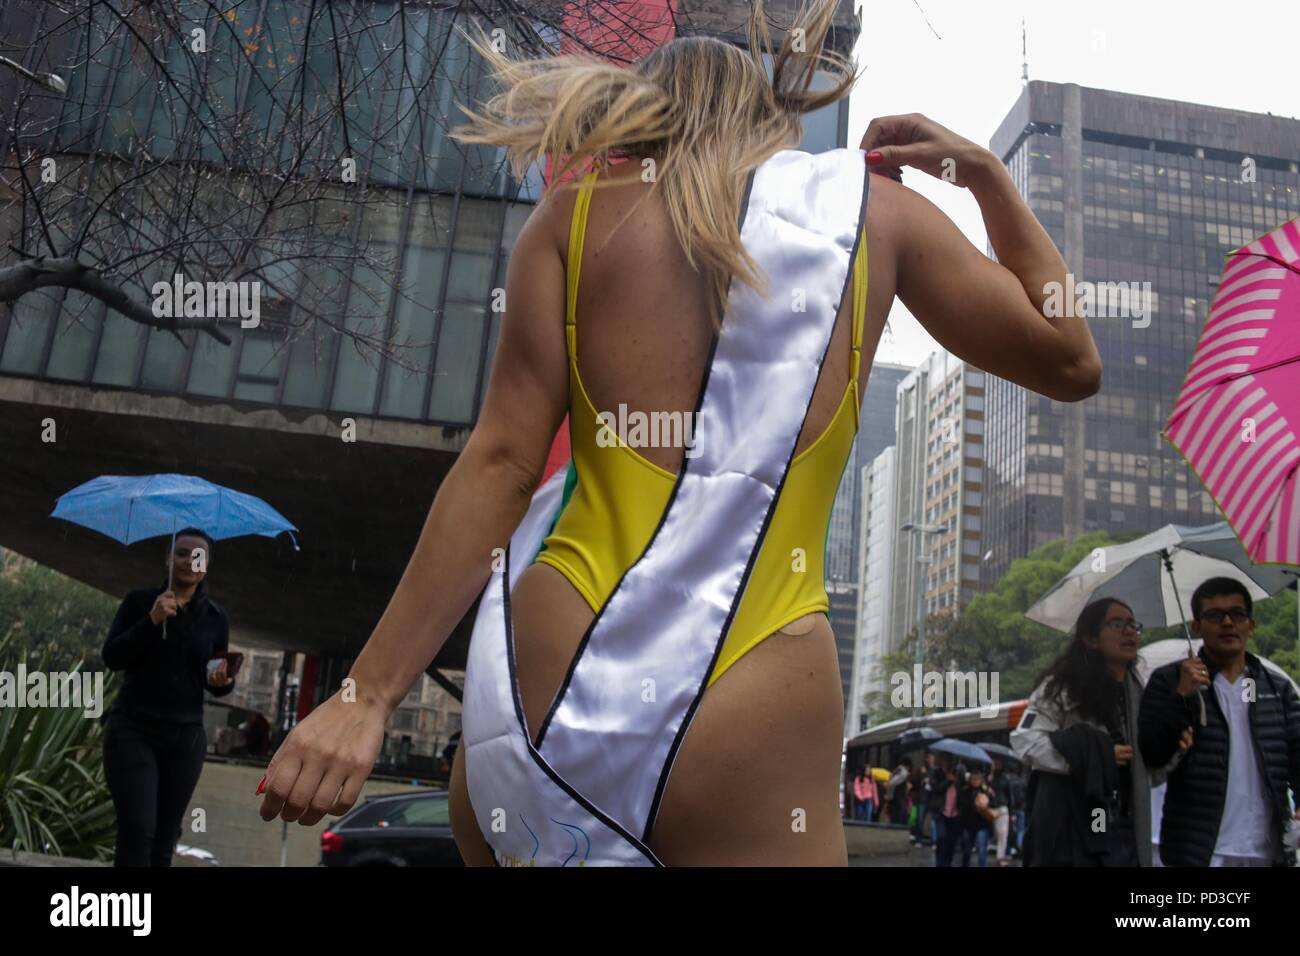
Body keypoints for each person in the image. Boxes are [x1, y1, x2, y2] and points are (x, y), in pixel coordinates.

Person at [253, 0, 1101, 866]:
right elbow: (1071, 358)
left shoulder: (573, 218)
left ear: (641, 113)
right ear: (770, 120)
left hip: (553, 669)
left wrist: (368, 695)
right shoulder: (871, 216)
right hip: (756, 683)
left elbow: (503, 463)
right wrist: (985, 175)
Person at [1012, 597, 1187, 866]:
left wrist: (1174, 751)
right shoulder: (1061, 687)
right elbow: (1025, 741)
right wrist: (1096, 756)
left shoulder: (1140, 692)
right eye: (1116, 624)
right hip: (1077, 829)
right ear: (1091, 639)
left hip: (1127, 830)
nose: (1129, 631)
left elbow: (1144, 776)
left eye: (1133, 624)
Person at [1138, 577, 1300, 867]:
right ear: (1197, 626)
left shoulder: (1278, 689)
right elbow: (1152, 752)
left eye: (1237, 614)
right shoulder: (1168, 681)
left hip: (1267, 849)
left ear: (1251, 625)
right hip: (1198, 850)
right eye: (1214, 615)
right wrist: (1182, 696)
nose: (1227, 623)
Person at [101, 528, 235, 866]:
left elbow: (213, 682)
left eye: (198, 556)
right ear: (167, 559)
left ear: (207, 566)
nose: (189, 561)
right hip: (133, 729)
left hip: (185, 737)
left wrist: (222, 681)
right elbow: (113, 657)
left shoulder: (216, 619)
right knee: (137, 828)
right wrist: (152, 620)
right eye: (181, 553)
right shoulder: (139, 602)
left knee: (165, 835)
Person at [957, 768, 995, 867]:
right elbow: (960, 803)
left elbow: (993, 804)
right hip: (968, 824)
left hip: (982, 824)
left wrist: (989, 797)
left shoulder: (986, 791)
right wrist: (975, 805)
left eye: (977, 779)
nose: (975, 781)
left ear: (981, 780)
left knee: (982, 850)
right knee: (966, 850)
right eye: (973, 779)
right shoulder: (965, 790)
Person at [934, 758, 961, 867]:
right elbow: (937, 788)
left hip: (955, 814)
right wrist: (948, 781)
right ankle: (939, 864)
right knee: (941, 838)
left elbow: (963, 792)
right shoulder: (937, 773)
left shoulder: (959, 775)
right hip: (942, 812)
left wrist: (957, 781)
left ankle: (947, 863)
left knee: (951, 843)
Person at [987, 758, 1013, 865]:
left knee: (1003, 834)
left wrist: (1011, 813)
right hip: (989, 808)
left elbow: (1010, 797)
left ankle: (1000, 857)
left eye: (998, 764)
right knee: (994, 833)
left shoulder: (1005, 779)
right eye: (995, 764)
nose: (997, 766)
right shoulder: (988, 778)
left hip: (1002, 808)